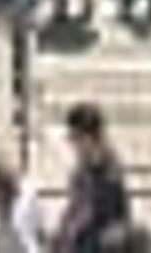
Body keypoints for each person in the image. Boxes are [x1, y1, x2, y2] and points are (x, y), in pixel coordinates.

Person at [50, 101, 136, 252]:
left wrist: (69, 232)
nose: (73, 146)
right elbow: (75, 207)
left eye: (76, 139)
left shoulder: (108, 170)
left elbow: (91, 213)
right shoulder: (82, 169)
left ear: (89, 138)